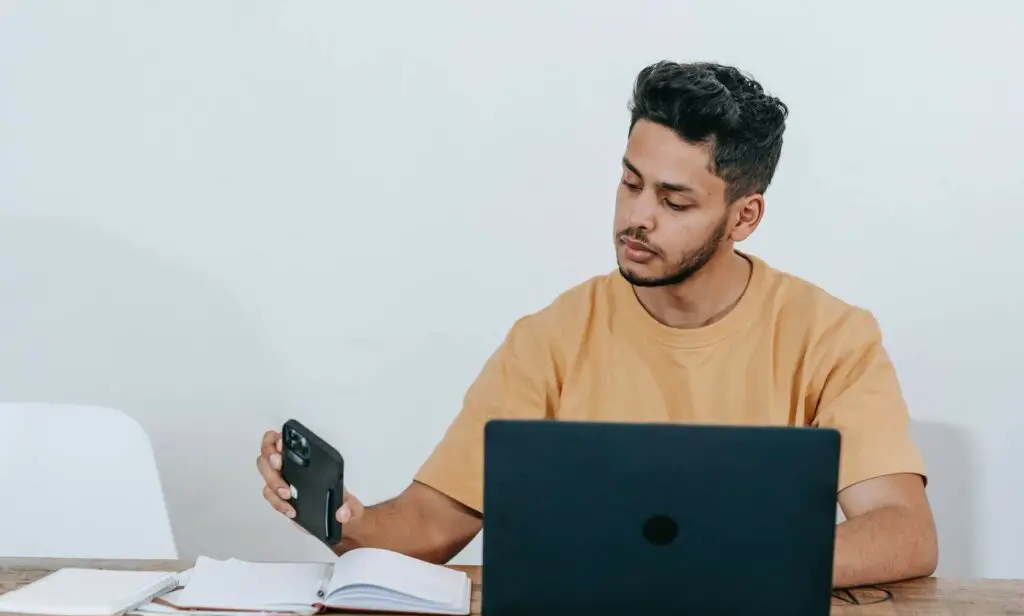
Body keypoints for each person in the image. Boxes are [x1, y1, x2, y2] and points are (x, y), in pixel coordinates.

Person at [256, 60, 938, 588]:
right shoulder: (550, 338)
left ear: (744, 217)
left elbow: (904, 532)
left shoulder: (831, 336)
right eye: (630, 182)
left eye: (674, 200)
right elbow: (431, 523)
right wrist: (345, 518)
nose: (637, 216)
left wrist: (722, 566)